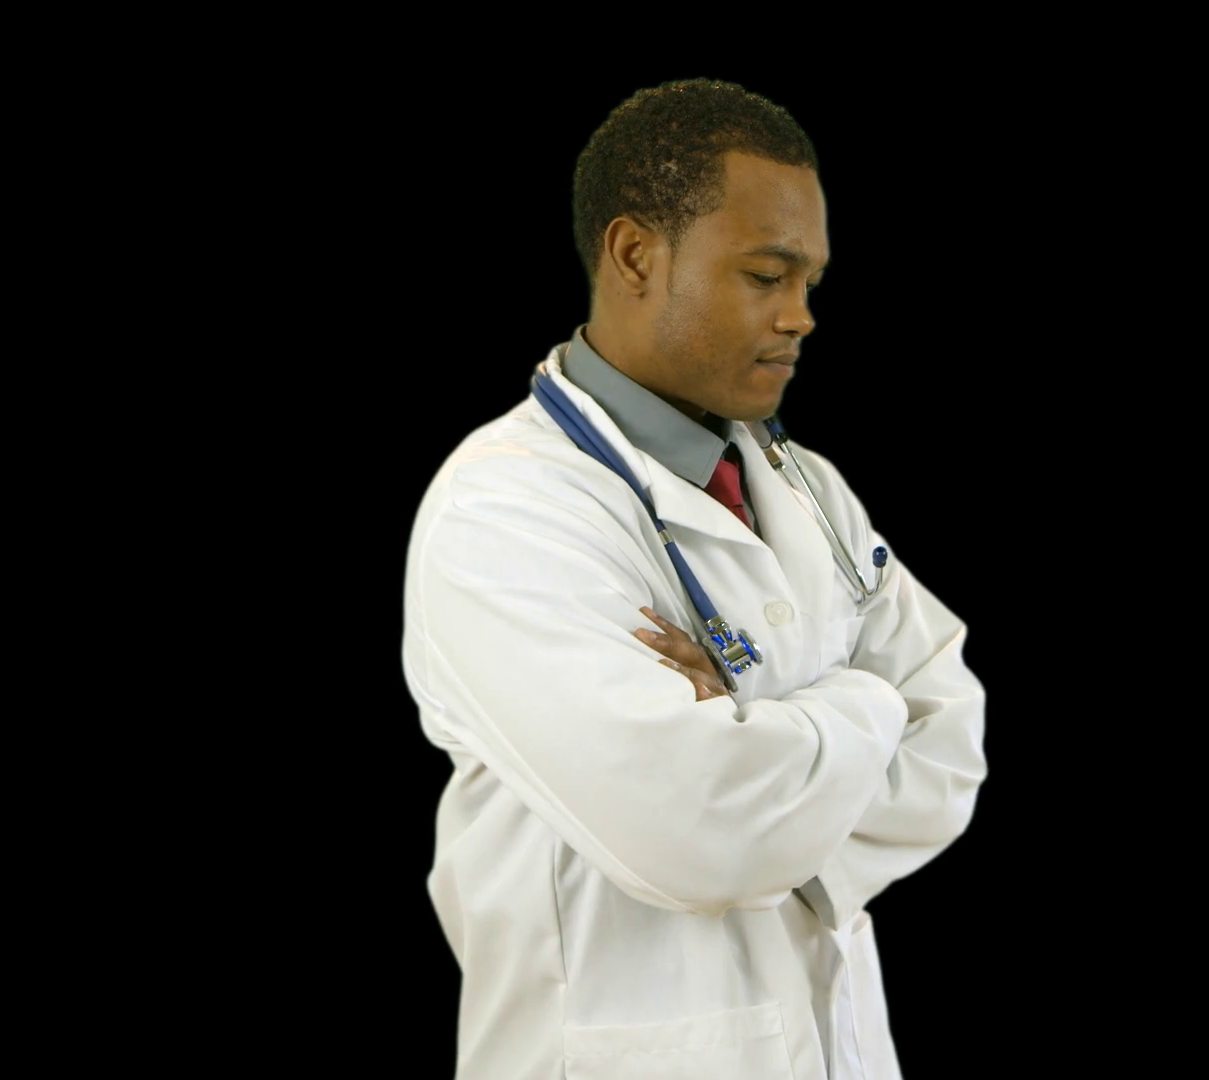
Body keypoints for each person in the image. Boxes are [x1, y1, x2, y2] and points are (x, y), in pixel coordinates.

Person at [401, 78, 988, 1079]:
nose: (803, 317)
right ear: (637, 255)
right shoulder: (504, 512)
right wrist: (867, 701)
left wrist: (757, 735)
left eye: (811, 280)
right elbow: (701, 830)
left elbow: (953, 749)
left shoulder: (806, 486)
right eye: (766, 275)